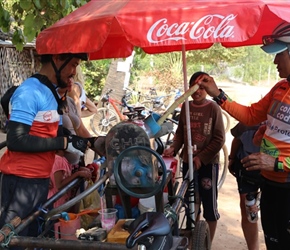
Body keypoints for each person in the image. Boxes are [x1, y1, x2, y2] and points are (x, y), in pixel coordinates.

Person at [197, 22, 290, 250]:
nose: (275, 61)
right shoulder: (280, 88)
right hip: (270, 184)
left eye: (280, 54)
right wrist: (218, 94)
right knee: (273, 242)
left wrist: (277, 162)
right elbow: (250, 116)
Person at [0, 53, 91, 249]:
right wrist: (65, 142)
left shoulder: (50, 94)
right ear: (57, 59)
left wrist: (92, 141)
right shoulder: (30, 92)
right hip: (21, 183)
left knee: (32, 239)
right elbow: (16, 140)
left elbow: (57, 133)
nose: (74, 72)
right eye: (73, 64)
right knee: (12, 242)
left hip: (38, 182)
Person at [163, 71, 225, 242]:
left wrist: (201, 157)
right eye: (194, 87)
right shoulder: (186, 107)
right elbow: (180, 134)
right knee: (191, 202)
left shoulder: (213, 108)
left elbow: (219, 139)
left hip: (208, 164)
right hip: (188, 162)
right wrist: (173, 148)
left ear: (206, 89)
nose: (197, 91)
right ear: (189, 88)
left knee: (210, 206)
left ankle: (207, 242)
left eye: (202, 88)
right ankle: (195, 240)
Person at [228, 122, 262, 250]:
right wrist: (232, 158)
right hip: (247, 168)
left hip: (274, 170)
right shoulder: (248, 120)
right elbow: (236, 139)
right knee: (248, 208)